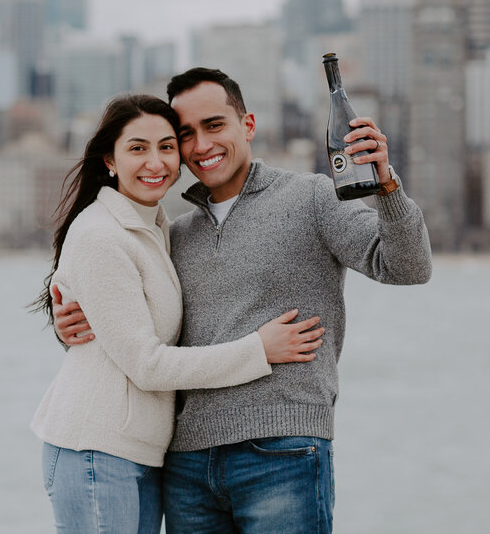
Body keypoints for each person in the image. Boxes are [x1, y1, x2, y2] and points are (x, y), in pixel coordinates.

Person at [54, 68, 433, 533]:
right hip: (186, 463)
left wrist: (387, 185)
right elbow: (134, 331)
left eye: (214, 125)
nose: (201, 145)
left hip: (282, 451)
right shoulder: (174, 235)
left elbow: (408, 267)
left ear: (247, 125)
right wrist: (70, 321)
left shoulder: (311, 197)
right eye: (186, 134)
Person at [31, 93, 326, 534]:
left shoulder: (155, 228)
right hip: (94, 449)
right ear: (109, 160)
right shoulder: (100, 234)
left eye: (167, 147)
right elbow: (147, 365)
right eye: (137, 148)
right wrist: (258, 350)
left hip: (142, 452)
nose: (156, 162)